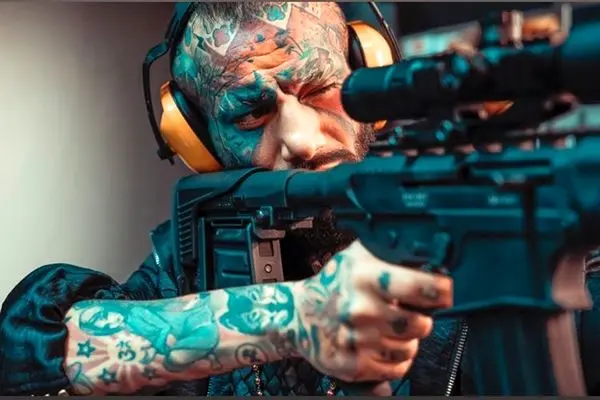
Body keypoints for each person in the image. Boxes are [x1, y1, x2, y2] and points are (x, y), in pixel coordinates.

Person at [1, 2, 599, 397]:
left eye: (321, 89)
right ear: (198, 143)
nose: (303, 140)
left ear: (368, 73)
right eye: (251, 114)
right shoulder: (188, 270)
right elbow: (25, 346)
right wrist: (295, 318)